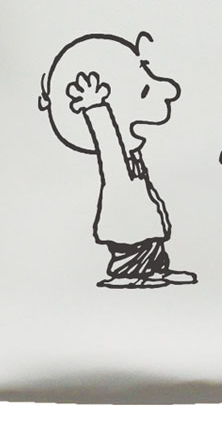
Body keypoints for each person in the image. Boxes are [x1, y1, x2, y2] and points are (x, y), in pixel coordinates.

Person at [38, 32, 197, 289]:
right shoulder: (116, 158)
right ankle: (130, 274)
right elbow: (107, 140)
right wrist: (95, 107)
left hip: (140, 223)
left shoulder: (132, 153)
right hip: (128, 226)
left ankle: (155, 270)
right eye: (144, 90)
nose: (170, 91)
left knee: (150, 246)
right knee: (134, 247)